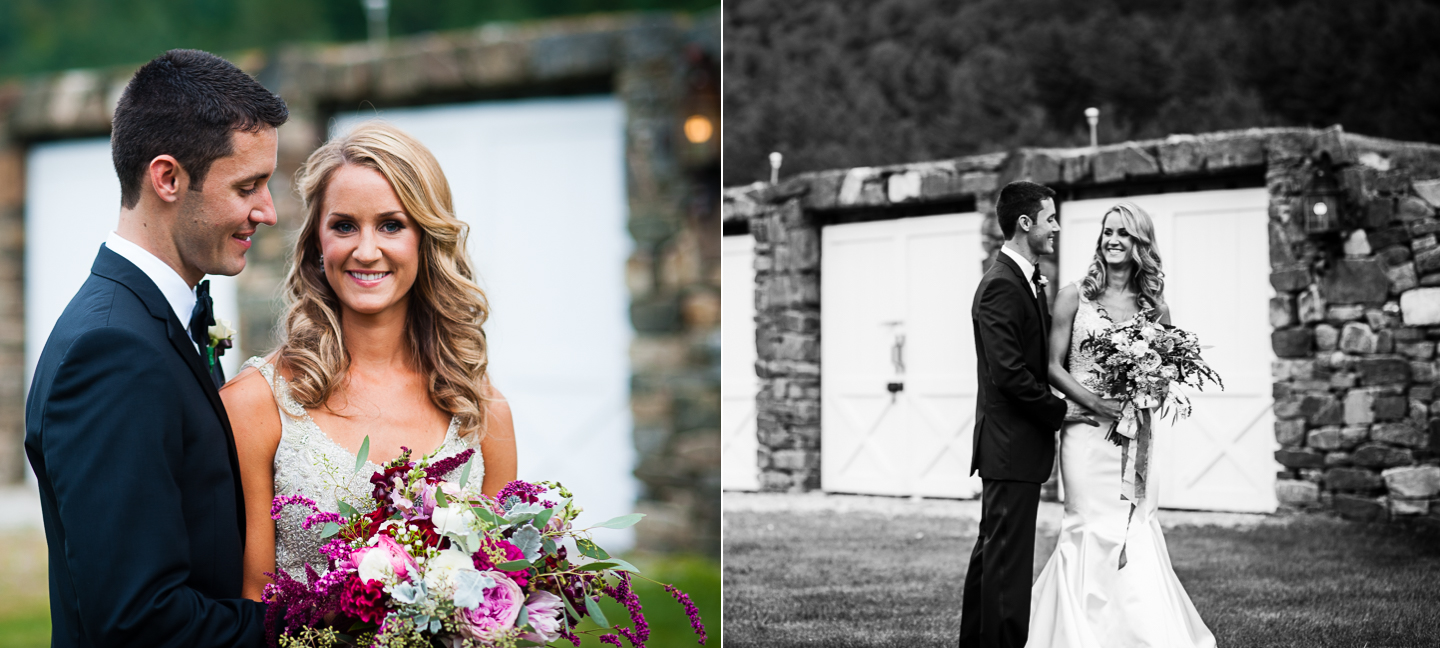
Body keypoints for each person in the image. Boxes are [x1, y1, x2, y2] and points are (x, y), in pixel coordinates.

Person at [24, 50, 286, 646]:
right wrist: (315, 630)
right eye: (248, 186)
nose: (266, 211)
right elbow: (140, 621)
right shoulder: (113, 353)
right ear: (167, 178)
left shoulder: (163, 314)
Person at [222, 121, 517, 600]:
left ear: (427, 239)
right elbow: (251, 599)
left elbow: (502, 592)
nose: (365, 250)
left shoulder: (481, 412)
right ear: (318, 243)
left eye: (391, 225)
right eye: (343, 226)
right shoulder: (256, 403)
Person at [1027, 201, 1215, 647]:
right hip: (1084, 434)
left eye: (1124, 234)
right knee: (1086, 524)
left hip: (1134, 435)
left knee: (1134, 526)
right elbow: (1053, 366)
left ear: (1139, 243)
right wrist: (1095, 403)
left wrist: (1141, 395)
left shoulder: (1154, 306)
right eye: (1107, 231)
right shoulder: (1074, 295)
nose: (1113, 239)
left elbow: (1164, 375)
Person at [960, 181, 1085, 648]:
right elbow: (1009, 373)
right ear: (1025, 223)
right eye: (1050, 218)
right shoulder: (1000, 286)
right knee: (1008, 570)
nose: (1056, 227)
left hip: (1012, 448)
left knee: (993, 560)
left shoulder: (1024, 280)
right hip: (1009, 447)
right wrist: (1061, 410)